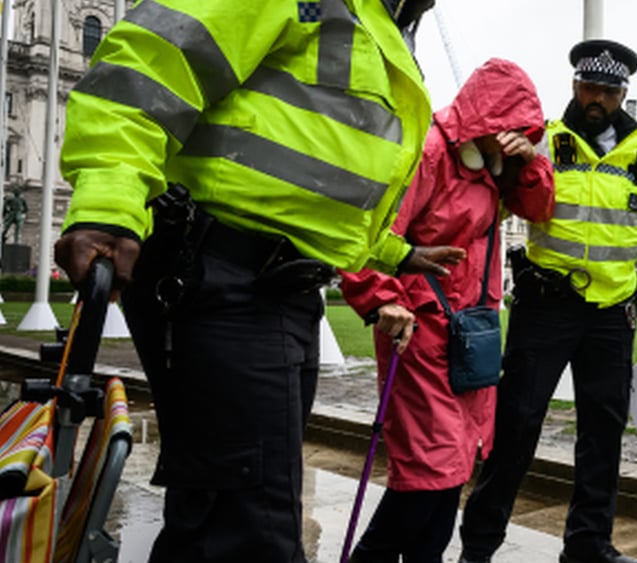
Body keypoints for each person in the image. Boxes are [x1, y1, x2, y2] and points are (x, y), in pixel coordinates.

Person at [53, 2, 462, 562]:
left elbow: (306, 176)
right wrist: (108, 199)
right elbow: (150, 62)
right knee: (251, 534)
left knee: (217, 517)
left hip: (265, 287)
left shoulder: (376, 19)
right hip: (224, 279)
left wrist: (397, 252)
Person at [458, 39, 637, 563]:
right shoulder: (543, 141)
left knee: (603, 434)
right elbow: (494, 204)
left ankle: (589, 544)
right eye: (590, 87)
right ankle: (479, 546)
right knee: (516, 427)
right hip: (546, 306)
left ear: (623, 95)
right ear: (575, 85)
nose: (598, 99)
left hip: (612, 316)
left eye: (609, 91)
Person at [339, 58, 554, 563]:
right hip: (418, 333)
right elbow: (371, 229)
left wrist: (528, 161)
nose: (511, 137)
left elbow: (541, 206)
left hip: (466, 340)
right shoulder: (432, 151)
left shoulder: (490, 168)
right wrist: (381, 296)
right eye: (509, 126)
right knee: (428, 478)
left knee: (448, 475)